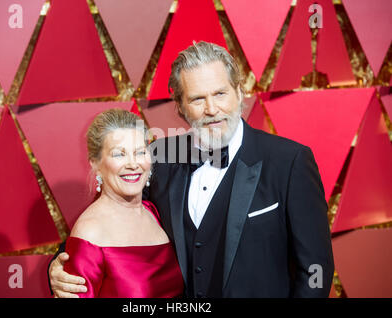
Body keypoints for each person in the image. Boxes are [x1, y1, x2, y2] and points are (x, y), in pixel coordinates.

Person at [49, 41, 334, 298]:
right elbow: (110, 214)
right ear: (181, 107)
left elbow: (315, 270)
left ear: (238, 92)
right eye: (198, 99)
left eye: (220, 93)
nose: (211, 109)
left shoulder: (289, 161)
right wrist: (60, 265)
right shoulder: (159, 157)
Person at [54, 108, 183, 298]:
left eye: (139, 152)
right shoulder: (90, 232)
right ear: (95, 164)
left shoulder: (153, 211)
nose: (132, 164)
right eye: (119, 154)